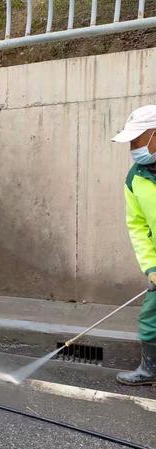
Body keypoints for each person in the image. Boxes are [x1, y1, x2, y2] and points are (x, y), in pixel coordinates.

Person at [112, 105, 156, 385]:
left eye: (139, 139)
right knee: (150, 317)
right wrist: (151, 267)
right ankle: (150, 369)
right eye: (131, 141)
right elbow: (138, 227)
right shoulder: (135, 178)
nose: (134, 147)